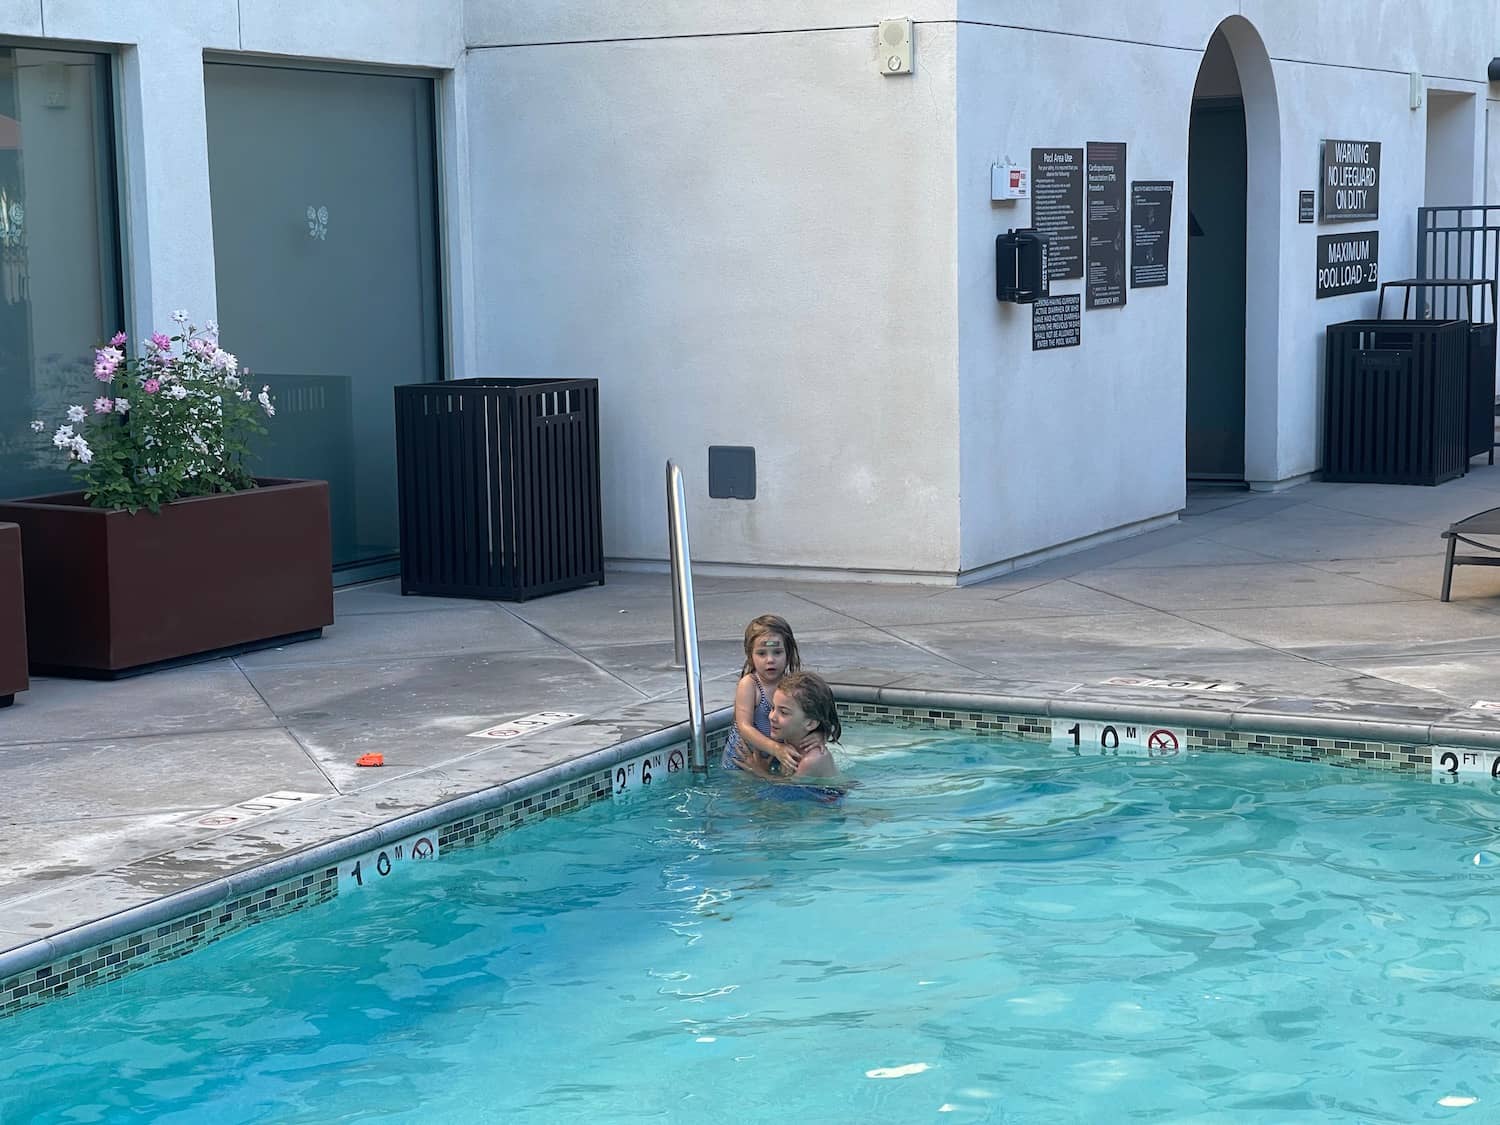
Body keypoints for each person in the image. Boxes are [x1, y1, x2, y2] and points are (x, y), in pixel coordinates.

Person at [722, 614, 812, 773]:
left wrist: (818, 736)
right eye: (762, 653)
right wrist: (776, 748)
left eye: (777, 652)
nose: (770, 660)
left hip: (774, 759)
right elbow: (744, 726)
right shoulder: (750, 685)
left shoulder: (792, 687)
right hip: (742, 762)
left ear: (788, 654)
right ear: (750, 656)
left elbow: (810, 716)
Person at [735, 670, 842, 783]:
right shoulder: (787, 741)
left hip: (829, 797)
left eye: (784, 712)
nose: (772, 717)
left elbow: (787, 794)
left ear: (810, 724)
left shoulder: (813, 759)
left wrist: (760, 773)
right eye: (773, 708)